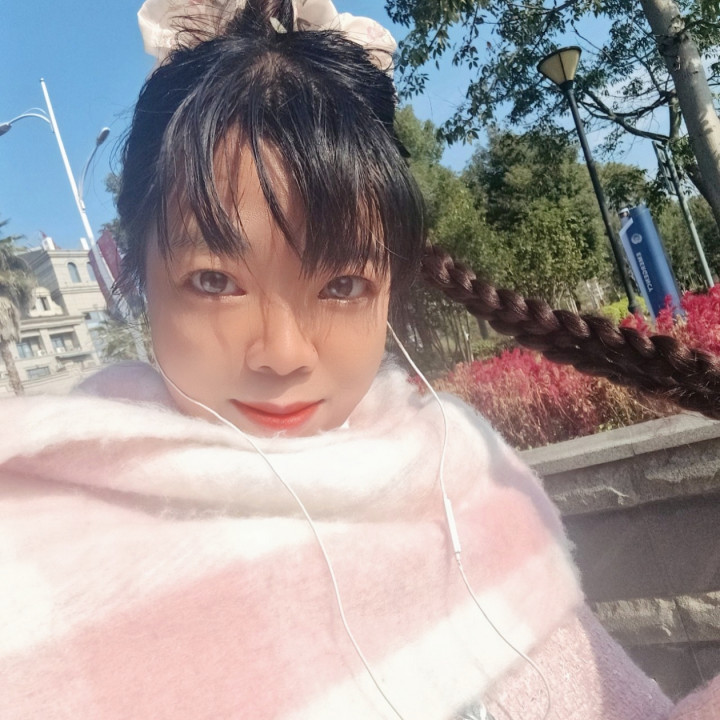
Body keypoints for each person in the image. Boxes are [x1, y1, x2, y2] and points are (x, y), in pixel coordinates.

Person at [1, 1, 719, 718]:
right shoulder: (40, 548)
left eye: (342, 286)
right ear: (138, 273)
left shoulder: (460, 488)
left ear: (390, 286)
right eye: (214, 281)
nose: (283, 354)